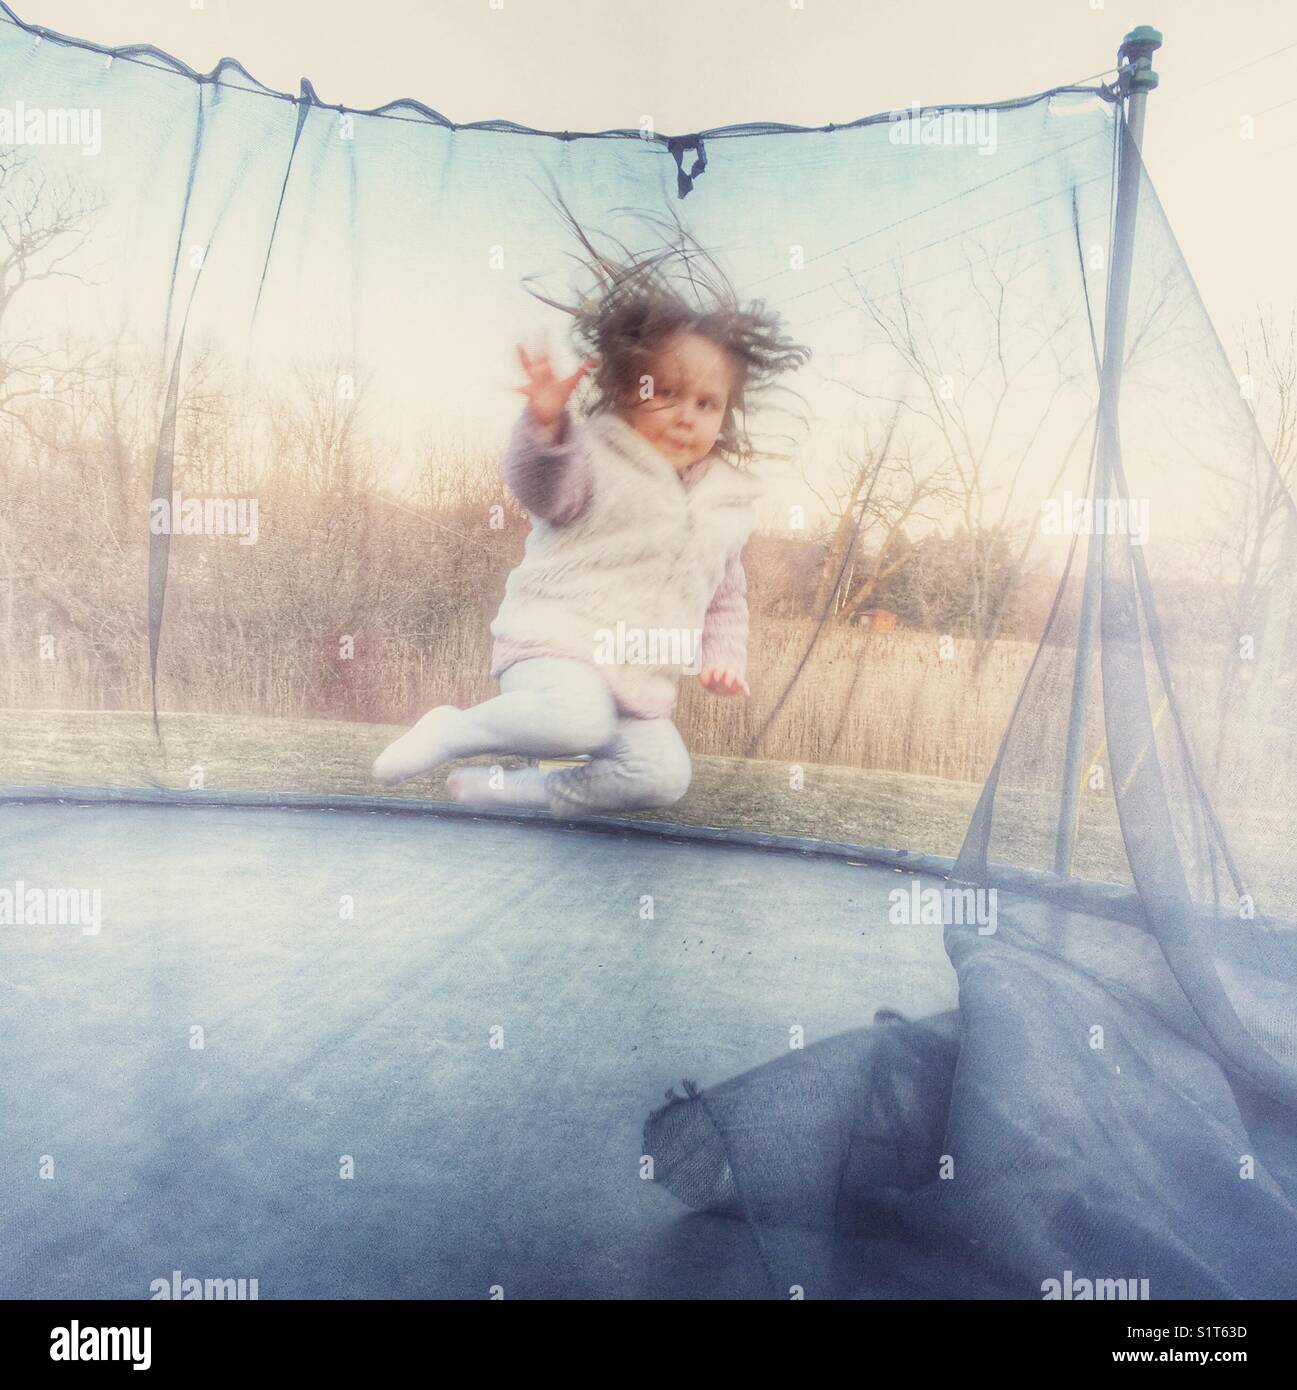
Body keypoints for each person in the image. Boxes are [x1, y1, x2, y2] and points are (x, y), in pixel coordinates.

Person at [371, 208, 809, 815]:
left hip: (637, 679)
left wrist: (723, 659)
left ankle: (517, 792)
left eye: (708, 403)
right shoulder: (594, 456)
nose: (688, 415)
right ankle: (450, 729)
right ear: (629, 388)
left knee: (662, 773)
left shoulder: (726, 504)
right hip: (555, 644)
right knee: (575, 719)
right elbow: (541, 487)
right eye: (667, 394)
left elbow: (725, 596)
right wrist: (546, 425)